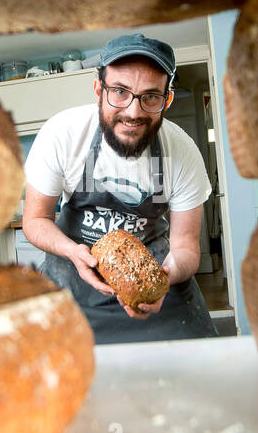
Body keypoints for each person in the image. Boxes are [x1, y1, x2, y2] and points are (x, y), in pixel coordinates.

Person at [22, 33, 217, 344]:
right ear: (99, 90)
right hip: (73, 283)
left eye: (150, 96)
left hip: (158, 289)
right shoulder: (63, 134)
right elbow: (35, 221)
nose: (133, 112)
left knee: (199, 370)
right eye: (120, 92)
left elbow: (186, 248)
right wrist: (74, 253)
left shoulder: (181, 151)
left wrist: (166, 278)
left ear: (166, 100)